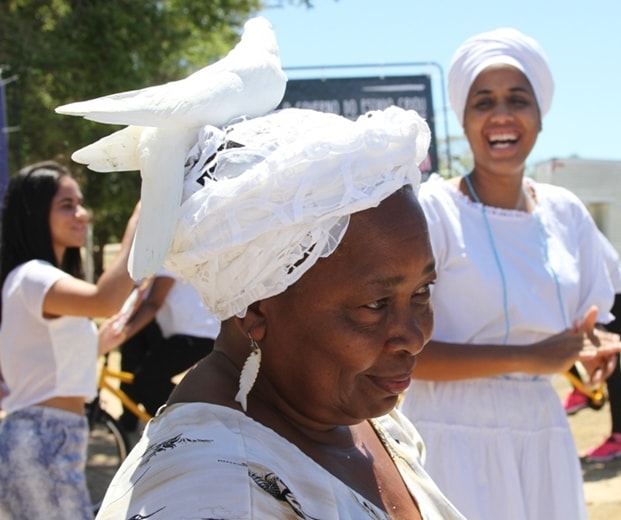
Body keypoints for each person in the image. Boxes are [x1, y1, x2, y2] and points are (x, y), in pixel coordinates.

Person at [64, 101, 468, 518]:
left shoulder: (358, 418)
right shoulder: (213, 495)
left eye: (422, 291)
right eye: (374, 305)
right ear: (255, 307)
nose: (415, 336)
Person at [398, 28, 621, 520]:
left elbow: (587, 321)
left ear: (540, 116)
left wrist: (591, 348)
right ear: (464, 117)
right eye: (484, 102)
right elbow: (405, 354)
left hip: (541, 429)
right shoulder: (432, 212)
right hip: (447, 430)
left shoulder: (567, 214)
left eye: (517, 99)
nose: (501, 115)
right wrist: (534, 355)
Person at [0, 161, 139, 518]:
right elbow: (104, 300)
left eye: (80, 203)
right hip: (42, 438)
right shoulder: (33, 276)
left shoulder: (37, 280)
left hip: (52, 437)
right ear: (33, 213)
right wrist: (142, 223)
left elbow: (49, 363)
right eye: (67, 205)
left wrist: (100, 343)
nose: (83, 214)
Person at [116, 268, 218, 431]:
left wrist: (120, 336)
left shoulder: (166, 261)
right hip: (187, 333)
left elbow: (153, 304)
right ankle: (176, 426)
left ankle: (194, 427)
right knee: (144, 377)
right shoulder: (150, 264)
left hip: (198, 334)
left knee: (147, 380)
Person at [562, 232, 621, 462]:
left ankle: (618, 439)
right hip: (609, 297)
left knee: (610, 367)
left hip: (612, 300)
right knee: (559, 339)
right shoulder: (573, 228)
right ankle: (581, 392)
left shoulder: (572, 229)